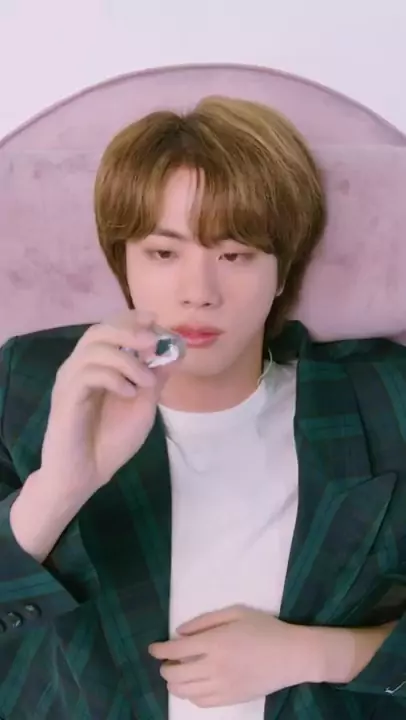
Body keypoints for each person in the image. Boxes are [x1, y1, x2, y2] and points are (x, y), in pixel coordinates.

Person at [0, 96, 405, 720]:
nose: (199, 293)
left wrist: (321, 653)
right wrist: (56, 491)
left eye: (235, 255)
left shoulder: (381, 395)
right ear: (123, 263)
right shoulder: (29, 382)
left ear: (282, 271)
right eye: (164, 254)